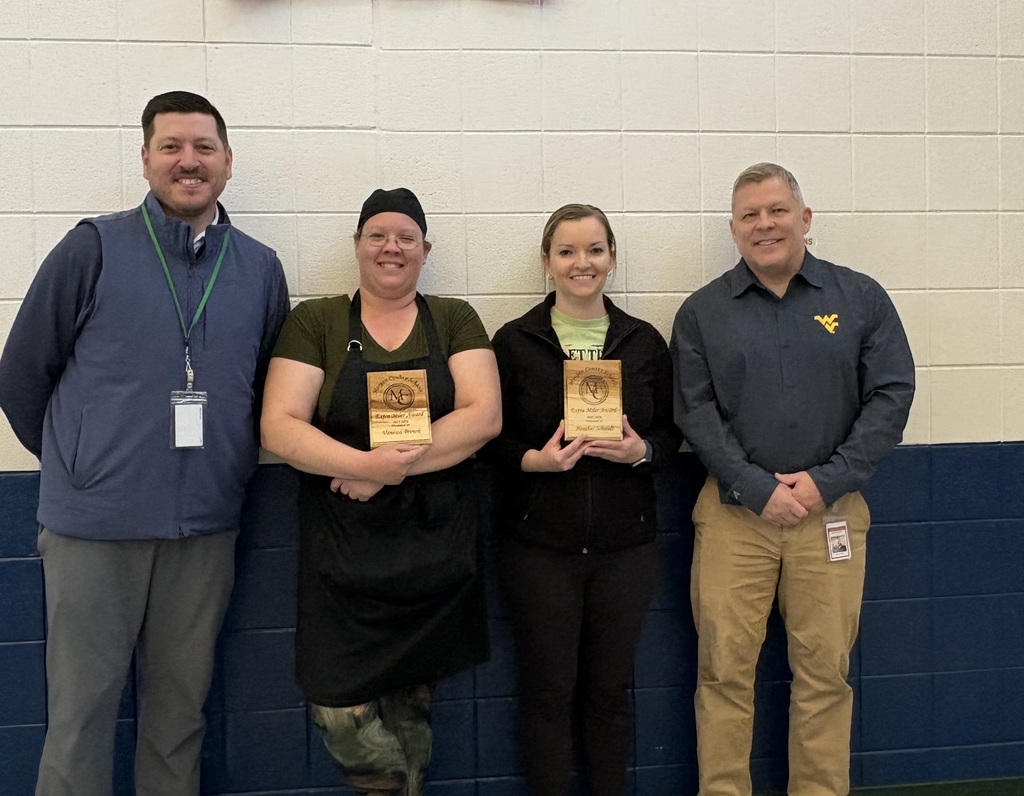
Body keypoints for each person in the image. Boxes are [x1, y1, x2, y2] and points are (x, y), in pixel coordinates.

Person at [0, 91, 290, 794]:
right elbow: (22, 373)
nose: (187, 161)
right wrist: (83, 467)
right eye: (171, 147)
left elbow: (266, 388)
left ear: (227, 161)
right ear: (145, 158)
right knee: (80, 718)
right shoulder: (91, 247)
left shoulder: (258, 267)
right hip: (93, 531)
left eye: (203, 148)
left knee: (179, 717)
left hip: (205, 530)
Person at [671, 163, 915, 796]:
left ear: (805, 219)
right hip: (733, 518)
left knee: (825, 676)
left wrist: (822, 483)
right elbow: (694, 414)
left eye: (777, 210)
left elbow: (891, 397)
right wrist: (758, 489)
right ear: (734, 229)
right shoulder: (702, 313)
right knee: (724, 675)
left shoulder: (859, 298)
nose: (764, 224)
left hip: (829, 515)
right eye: (750, 215)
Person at [260, 187, 501, 796]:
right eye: (378, 235)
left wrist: (385, 470)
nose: (392, 246)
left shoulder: (453, 318)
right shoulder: (315, 320)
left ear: (425, 250)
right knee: (341, 716)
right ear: (359, 245)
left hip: (431, 559)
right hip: (341, 562)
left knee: (411, 711)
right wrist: (365, 463)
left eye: (406, 237)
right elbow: (281, 425)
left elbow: (483, 417)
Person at [485, 204, 682, 796]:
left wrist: (642, 451)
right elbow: (488, 441)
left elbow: (676, 434)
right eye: (567, 251)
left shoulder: (643, 342)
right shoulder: (514, 342)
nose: (582, 263)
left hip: (626, 549)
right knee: (548, 692)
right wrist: (533, 461)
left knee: (610, 693)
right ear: (547, 263)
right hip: (539, 548)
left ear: (613, 259)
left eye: (595, 250)